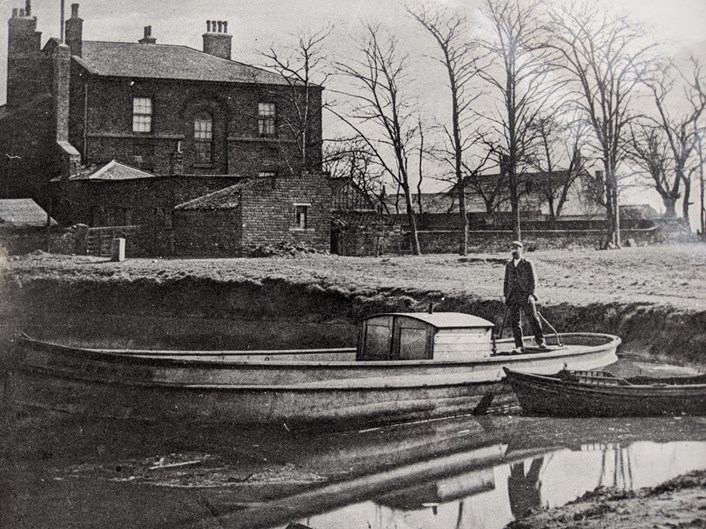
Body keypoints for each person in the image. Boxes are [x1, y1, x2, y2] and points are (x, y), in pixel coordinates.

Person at [503, 240, 547, 353]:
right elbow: (506, 282)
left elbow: (533, 280)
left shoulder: (527, 263)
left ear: (521, 250)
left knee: (533, 318)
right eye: (512, 249)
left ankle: (541, 341)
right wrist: (505, 295)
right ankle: (519, 346)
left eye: (516, 248)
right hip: (513, 296)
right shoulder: (509, 265)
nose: (514, 251)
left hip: (526, 296)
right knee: (515, 322)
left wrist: (532, 294)